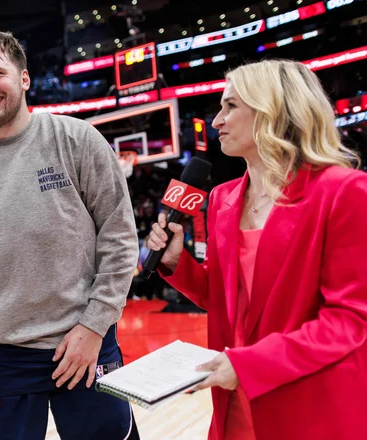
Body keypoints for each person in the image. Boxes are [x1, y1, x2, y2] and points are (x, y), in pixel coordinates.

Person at [0, 30, 140, 440]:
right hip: (1, 356)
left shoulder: (77, 140)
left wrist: (95, 326)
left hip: (85, 341)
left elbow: (118, 237)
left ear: (24, 79)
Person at [147, 59, 367, 440]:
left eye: (231, 106)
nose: (217, 121)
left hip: (310, 403)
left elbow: (348, 321)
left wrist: (250, 365)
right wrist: (175, 263)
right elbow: (222, 298)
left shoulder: (345, 192)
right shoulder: (221, 198)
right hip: (235, 401)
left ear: (273, 110)